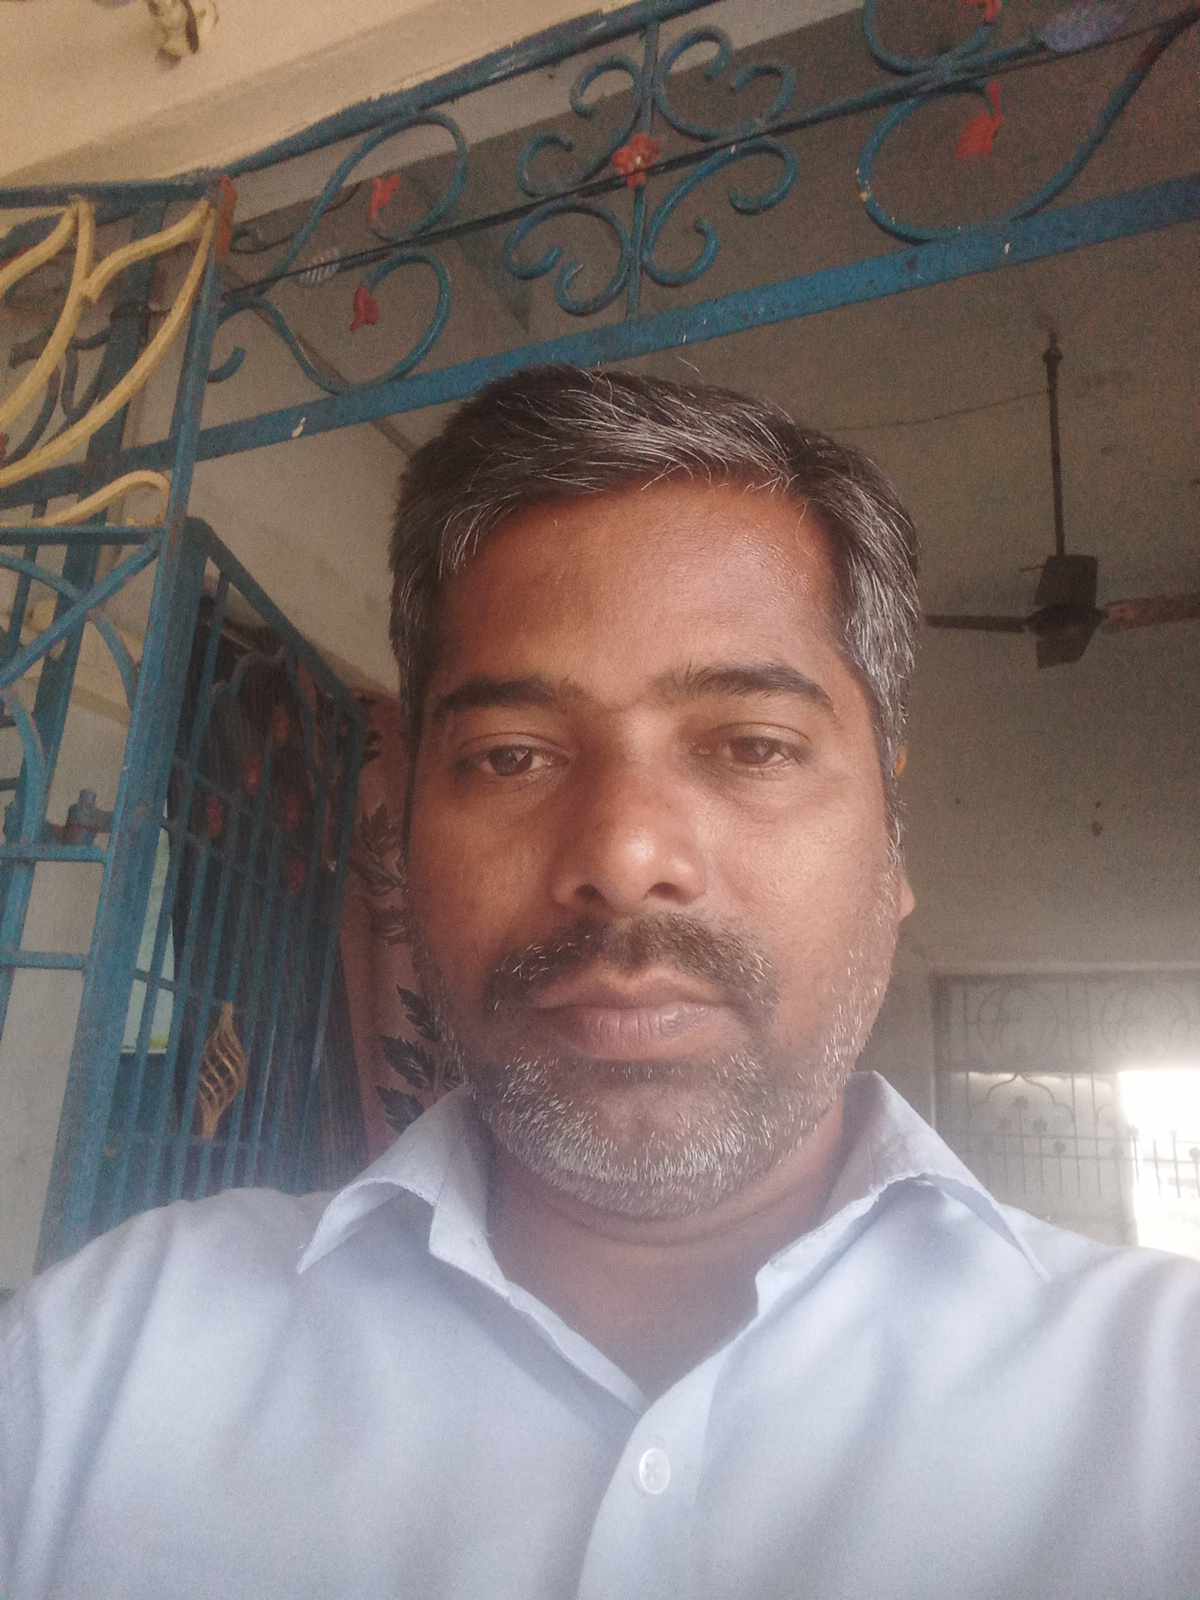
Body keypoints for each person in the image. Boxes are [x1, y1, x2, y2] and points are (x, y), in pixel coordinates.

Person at [2, 366, 1197, 1600]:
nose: (624, 857)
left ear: (893, 846)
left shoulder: (1164, 1406)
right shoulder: (96, 1370)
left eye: (752, 746)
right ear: (405, 839)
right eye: (511, 757)